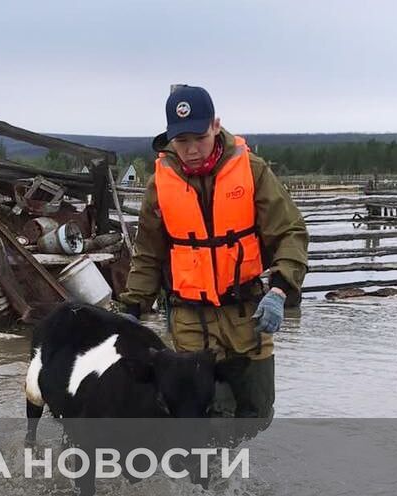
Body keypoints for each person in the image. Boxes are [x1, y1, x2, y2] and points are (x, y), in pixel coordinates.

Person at [118, 85, 308, 436]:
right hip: (191, 320)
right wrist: (132, 311)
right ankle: (211, 488)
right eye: (181, 141)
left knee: (257, 414)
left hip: (248, 314)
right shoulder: (160, 185)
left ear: (216, 126)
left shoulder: (253, 171)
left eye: (199, 138)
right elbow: (147, 255)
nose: (191, 150)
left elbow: (290, 233)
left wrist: (280, 289)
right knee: (210, 418)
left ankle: (222, 475)